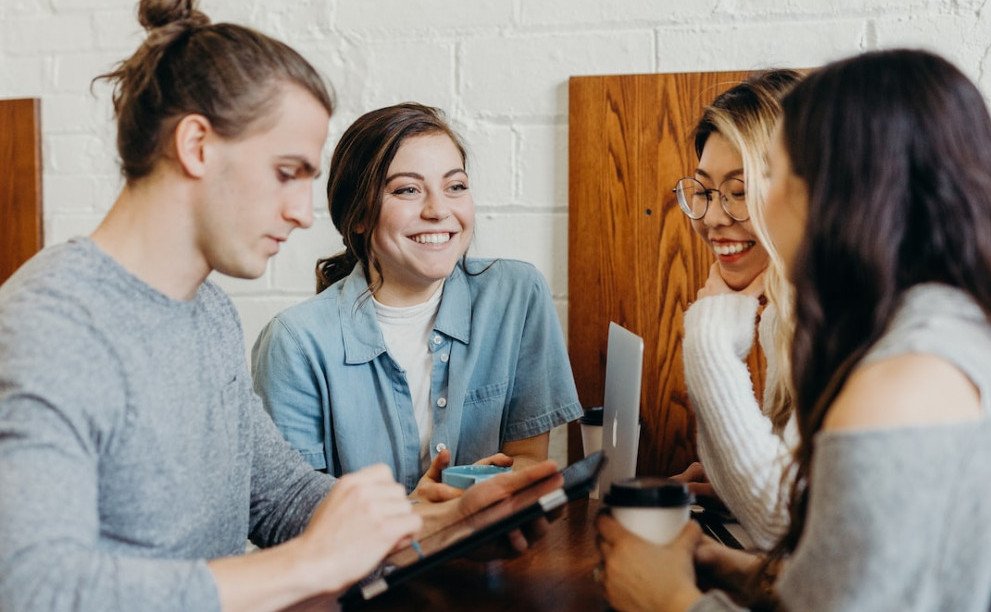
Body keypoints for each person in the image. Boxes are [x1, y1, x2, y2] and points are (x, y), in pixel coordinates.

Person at [0, 2, 558, 610]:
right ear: (197, 146)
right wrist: (306, 565)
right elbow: (33, 587)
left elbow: (280, 498)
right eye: (286, 172)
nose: (300, 211)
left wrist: (437, 528)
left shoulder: (205, 310)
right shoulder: (49, 325)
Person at [597, 48, 991, 611]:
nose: (726, 211)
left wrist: (669, 600)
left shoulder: (901, 381)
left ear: (841, 191)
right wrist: (738, 570)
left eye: (772, 174)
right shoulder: (939, 329)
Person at [251, 102, 582, 496]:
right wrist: (418, 515)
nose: (439, 210)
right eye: (407, 190)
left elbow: (528, 457)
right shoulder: (294, 343)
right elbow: (292, 513)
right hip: (368, 559)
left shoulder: (516, 295)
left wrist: (495, 486)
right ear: (357, 215)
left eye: (455, 186)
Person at [673, 70, 802, 550]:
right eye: (704, 191)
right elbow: (788, 501)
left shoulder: (844, 318)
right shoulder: (783, 314)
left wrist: (709, 337)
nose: (712, 217)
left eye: (740, 190)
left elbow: (782, 524)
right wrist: (731, 482)